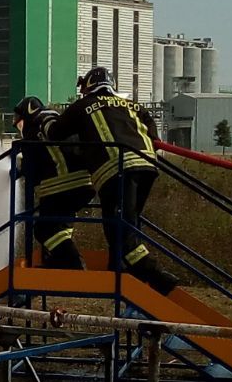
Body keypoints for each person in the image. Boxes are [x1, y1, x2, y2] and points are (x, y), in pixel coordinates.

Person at [23, 67, 180, 294]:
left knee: (119, 231)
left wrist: (44, 120)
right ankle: (118, 267)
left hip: (115, 170)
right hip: (147, 167)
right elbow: (153, 135)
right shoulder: (132, 105)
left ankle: (155, 276)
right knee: (127, 223)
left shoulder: (82, 106)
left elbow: (56, 133)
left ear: (88, 85)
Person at [12, 96, 92, 269]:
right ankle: (58, 260)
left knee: (43, 229)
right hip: (85, 183)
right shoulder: (58, 121)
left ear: (28, 114)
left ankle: (74, 263)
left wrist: (18, 171)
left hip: (61, 184)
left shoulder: (34, 129)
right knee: (60, 226)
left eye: (20, 123)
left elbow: (31, 165)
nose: (20, 128)